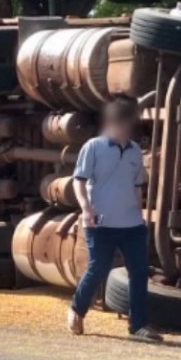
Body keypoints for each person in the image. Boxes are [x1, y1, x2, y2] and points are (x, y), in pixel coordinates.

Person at [66, 96, 163, 343]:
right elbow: (79, 180)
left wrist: (140, 216)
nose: (124, 128)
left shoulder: (134, 152)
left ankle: (138, 325)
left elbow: (137, 185)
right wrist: (86, 209)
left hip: (131, 225)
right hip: (100, 223)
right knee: (98, 269)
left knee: (139, 272)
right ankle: (77, 308)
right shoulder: (93, 147)